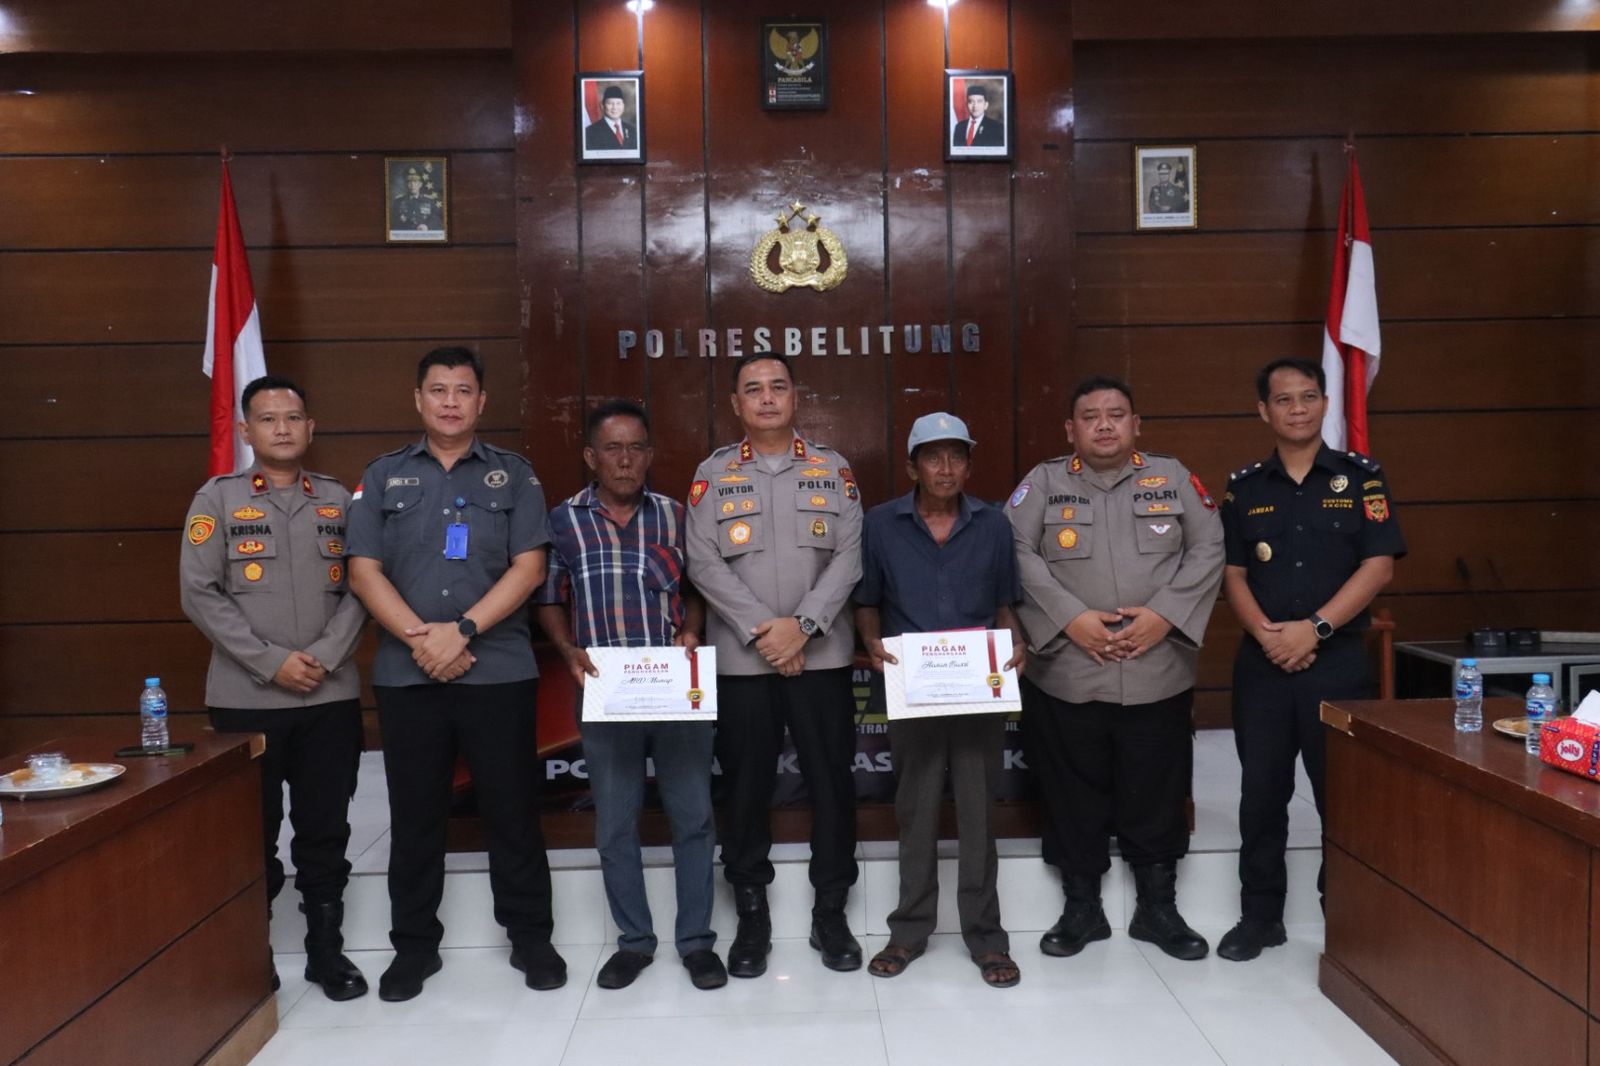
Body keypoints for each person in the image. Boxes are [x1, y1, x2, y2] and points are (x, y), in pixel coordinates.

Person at [346, 346, 564, 1001]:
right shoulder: (383, 476)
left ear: (481, 401)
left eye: (462, 390)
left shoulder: (514, 475)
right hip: (408, 674)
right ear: (418, 399)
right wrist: (424, 640)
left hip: (497, 671)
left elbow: (529, 568)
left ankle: (531, 938)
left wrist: (461, 631)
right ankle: (414, 948)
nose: (449, 401)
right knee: (415, 818)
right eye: (437, 390)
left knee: (513, 811)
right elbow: (363, 571)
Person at [1007, 375, 1224, 962]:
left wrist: (1164, 616)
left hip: (1157, 666)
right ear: (1070, 429)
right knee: (1071, 793)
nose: (1104, 425)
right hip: (1069, 668)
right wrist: (1071, 619)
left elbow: (1209, 547)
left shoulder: (1173, 477)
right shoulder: (1043, 483)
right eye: (1090, 416)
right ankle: (1082, 909)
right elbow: (1014, 552)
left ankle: (1158, 909)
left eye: (1116, 414)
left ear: (1136, 424)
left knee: (1157, 789)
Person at [179, 374, 369, 1001]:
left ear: (310, 427)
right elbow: (199, 593)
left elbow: (364, 587)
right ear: (245, 430)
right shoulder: (217, 500)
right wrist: (271, 663)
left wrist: (323, 657)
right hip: (246, 698)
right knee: (249, 835)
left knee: (325, 829)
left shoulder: (340, 500)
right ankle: (250, 957)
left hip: (329, 696)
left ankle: (326, 955)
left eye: (292, 418)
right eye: (267, 419)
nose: (282, 428)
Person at [1216, 357, 1406, 961]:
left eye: (1308, 397)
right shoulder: (1245, 487)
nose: (1297, 409)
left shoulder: (1362, 478)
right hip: (1264, 665)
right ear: (1263, 411)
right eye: (1283, 399)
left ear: (1325, 403)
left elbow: (1379, 566)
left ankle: (1345, 916)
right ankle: (1260, 918)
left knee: (1342, 798)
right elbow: (1233, 573)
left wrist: (1315, 629)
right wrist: (1269, 634)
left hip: (1338, 663)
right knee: (1261, 796)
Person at [535, 399, 727, 992]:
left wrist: (692, 628)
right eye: (612, 449)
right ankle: (634, 942)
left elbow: (697, 588)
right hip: (604, 693)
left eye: (636, 448)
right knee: (616, 825)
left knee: (693, 819)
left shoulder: (676, 516)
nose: (625, 460)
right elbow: (548, 598)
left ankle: (697, 942)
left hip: (674, 691)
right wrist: (567, 650)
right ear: (591, 457)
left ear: (650, 454)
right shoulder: (563, 521)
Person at [684, 353, 864, 977]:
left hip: (823, 656)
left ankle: (831, 912)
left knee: (832, 785)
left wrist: (803, 627)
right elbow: (702, 562)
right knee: (745, 789)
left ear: (795, 397)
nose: (766, 398)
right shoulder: (712, 474)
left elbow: (849, 557)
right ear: (736, 404)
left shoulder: (833, 469)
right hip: (744, 659)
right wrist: (767, 631)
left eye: (777, 387)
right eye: (753, 389)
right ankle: (751, 916)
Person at [854, 412, 1026, 988]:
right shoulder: (880, 525)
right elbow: (867, 601)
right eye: (933, 457)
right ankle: (908, 931)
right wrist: (871, 643)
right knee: (916, 810)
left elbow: (1004, 605)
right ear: (913, 468)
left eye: (956, 456)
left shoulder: (994, 526)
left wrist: (1016, 643)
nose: (946, 467)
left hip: (978, 687)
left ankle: (987, 938)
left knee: (979, 813)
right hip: (913, 688)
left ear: (969, 466)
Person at [585, 85, 637, 151]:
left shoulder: (632, 131)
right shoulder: (590, 132)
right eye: (610, 103)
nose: (614, 107)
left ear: (623, 106)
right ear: (602, 106)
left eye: (618, 103)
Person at [953, 83, 1004, 149]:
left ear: (986, 105)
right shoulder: (959, 127)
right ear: (966, 105)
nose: (975, 106)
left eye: (979, 101)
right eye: (971, 101)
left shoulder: (996, 127)